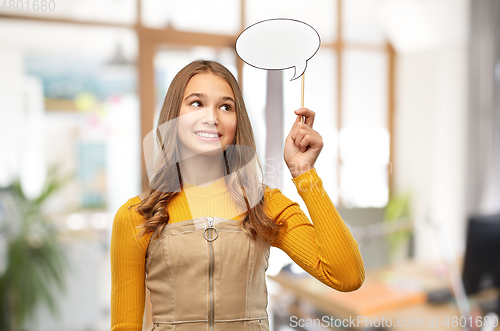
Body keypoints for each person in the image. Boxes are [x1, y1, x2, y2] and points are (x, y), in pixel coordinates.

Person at [110, 60, 365, 331]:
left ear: (237, 121)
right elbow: (124, 326)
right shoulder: (137, 217)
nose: (212, 117)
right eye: (196, 103)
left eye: (225, 107)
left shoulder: (266, 205)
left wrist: (304, 173)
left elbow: (347, 276)